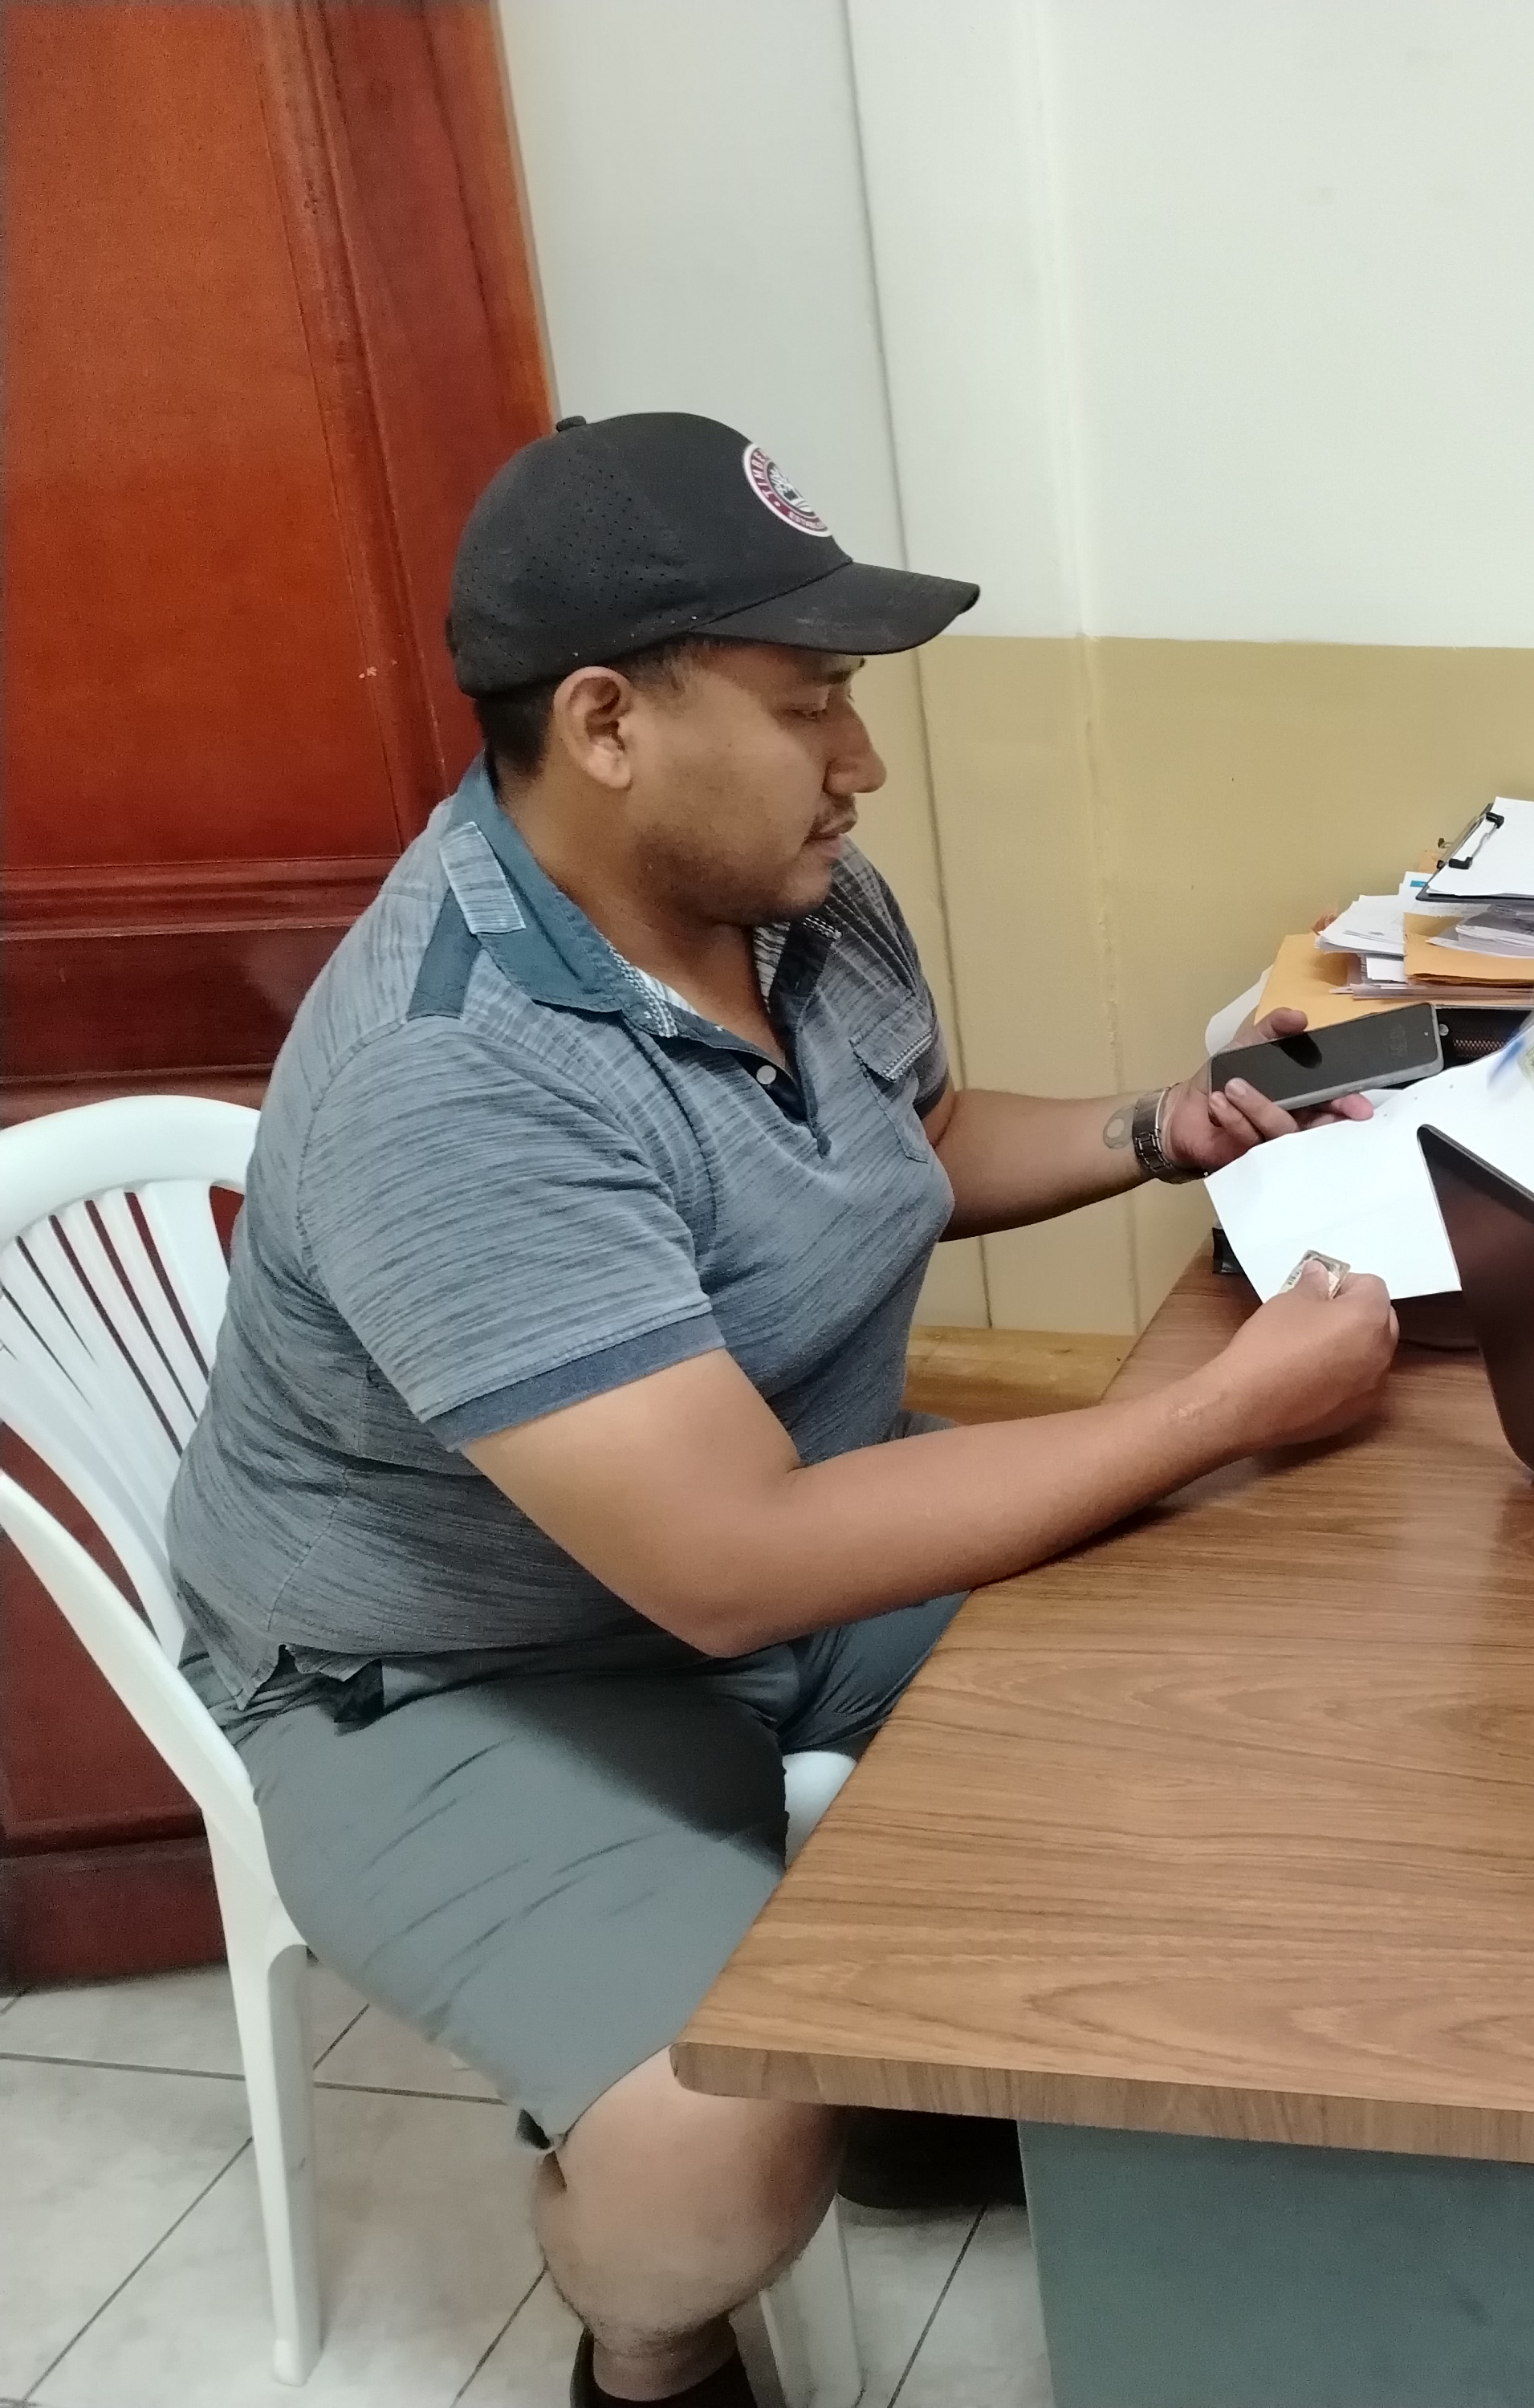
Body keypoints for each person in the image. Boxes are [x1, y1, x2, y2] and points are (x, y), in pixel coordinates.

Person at [166, 413, 1401, 2408]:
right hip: (466, 1669)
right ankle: (646, 2353)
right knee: (713, 2152)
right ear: (606, 721)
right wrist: (1212, 1404)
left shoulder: (785, 898)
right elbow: (728, 1567)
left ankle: (924, 2085)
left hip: (788, 1514)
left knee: (1250, 1654)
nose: (861, 761)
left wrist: (1158, 1129)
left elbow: (900, 1144)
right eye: (810, 701)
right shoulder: (454, 1073)